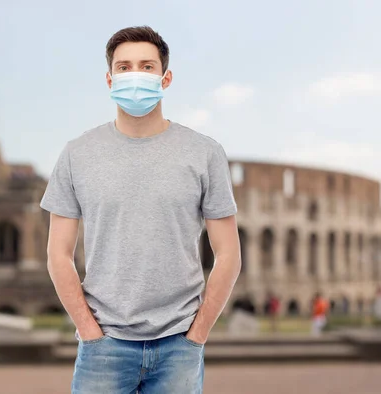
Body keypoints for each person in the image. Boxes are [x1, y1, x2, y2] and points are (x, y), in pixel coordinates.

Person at [40, 26, 241, 393]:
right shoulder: (76, 154)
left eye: (146, 66)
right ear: (109, 78)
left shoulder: (204, 153)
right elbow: (58, 253)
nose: (135, 75)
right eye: (124, 66)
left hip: (179, 343)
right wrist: (89, 331)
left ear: (166, 77)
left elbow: (228, 253)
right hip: (104, 344)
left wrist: (197, 335)